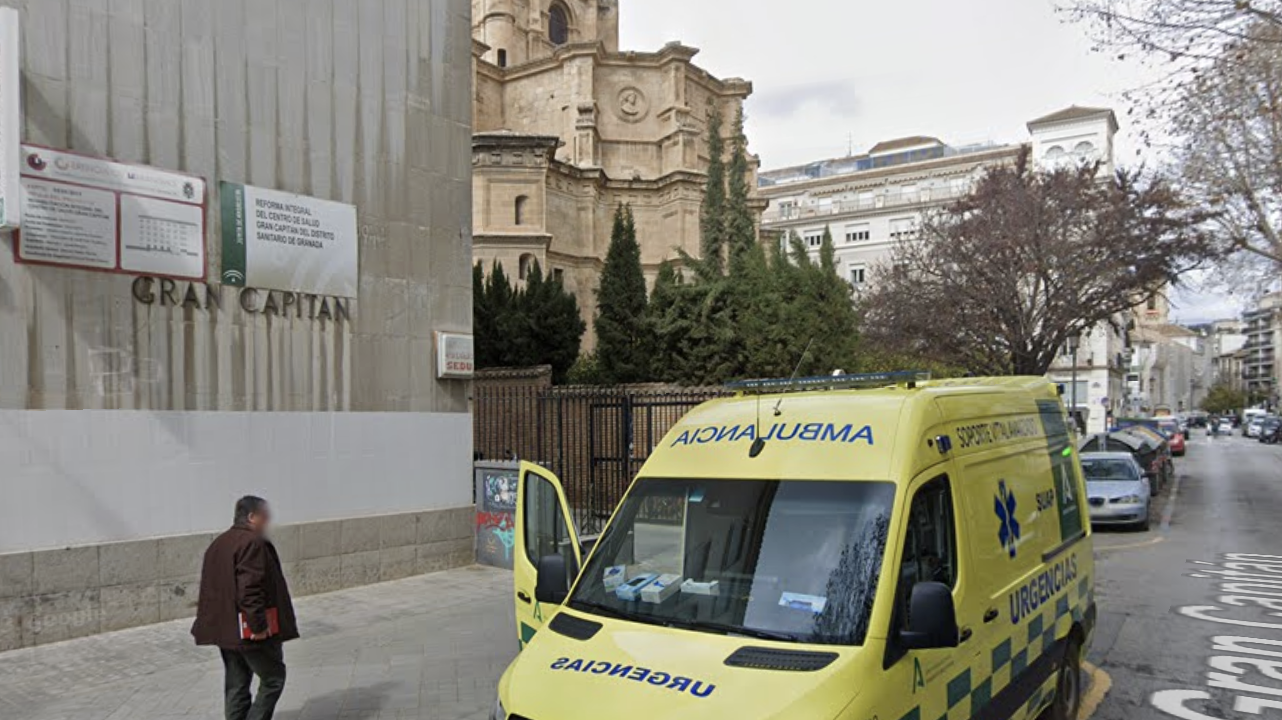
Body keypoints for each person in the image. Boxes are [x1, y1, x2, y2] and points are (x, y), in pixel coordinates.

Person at [191, 496, 299, 720]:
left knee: (237, 683)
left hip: (226, 629)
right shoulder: (252, 542)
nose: (268, 521)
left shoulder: (219, 543)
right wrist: (258, 625)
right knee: (273, 678)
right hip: (250, 629)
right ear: (251, 517)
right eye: (264, 516)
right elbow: (250, 589)